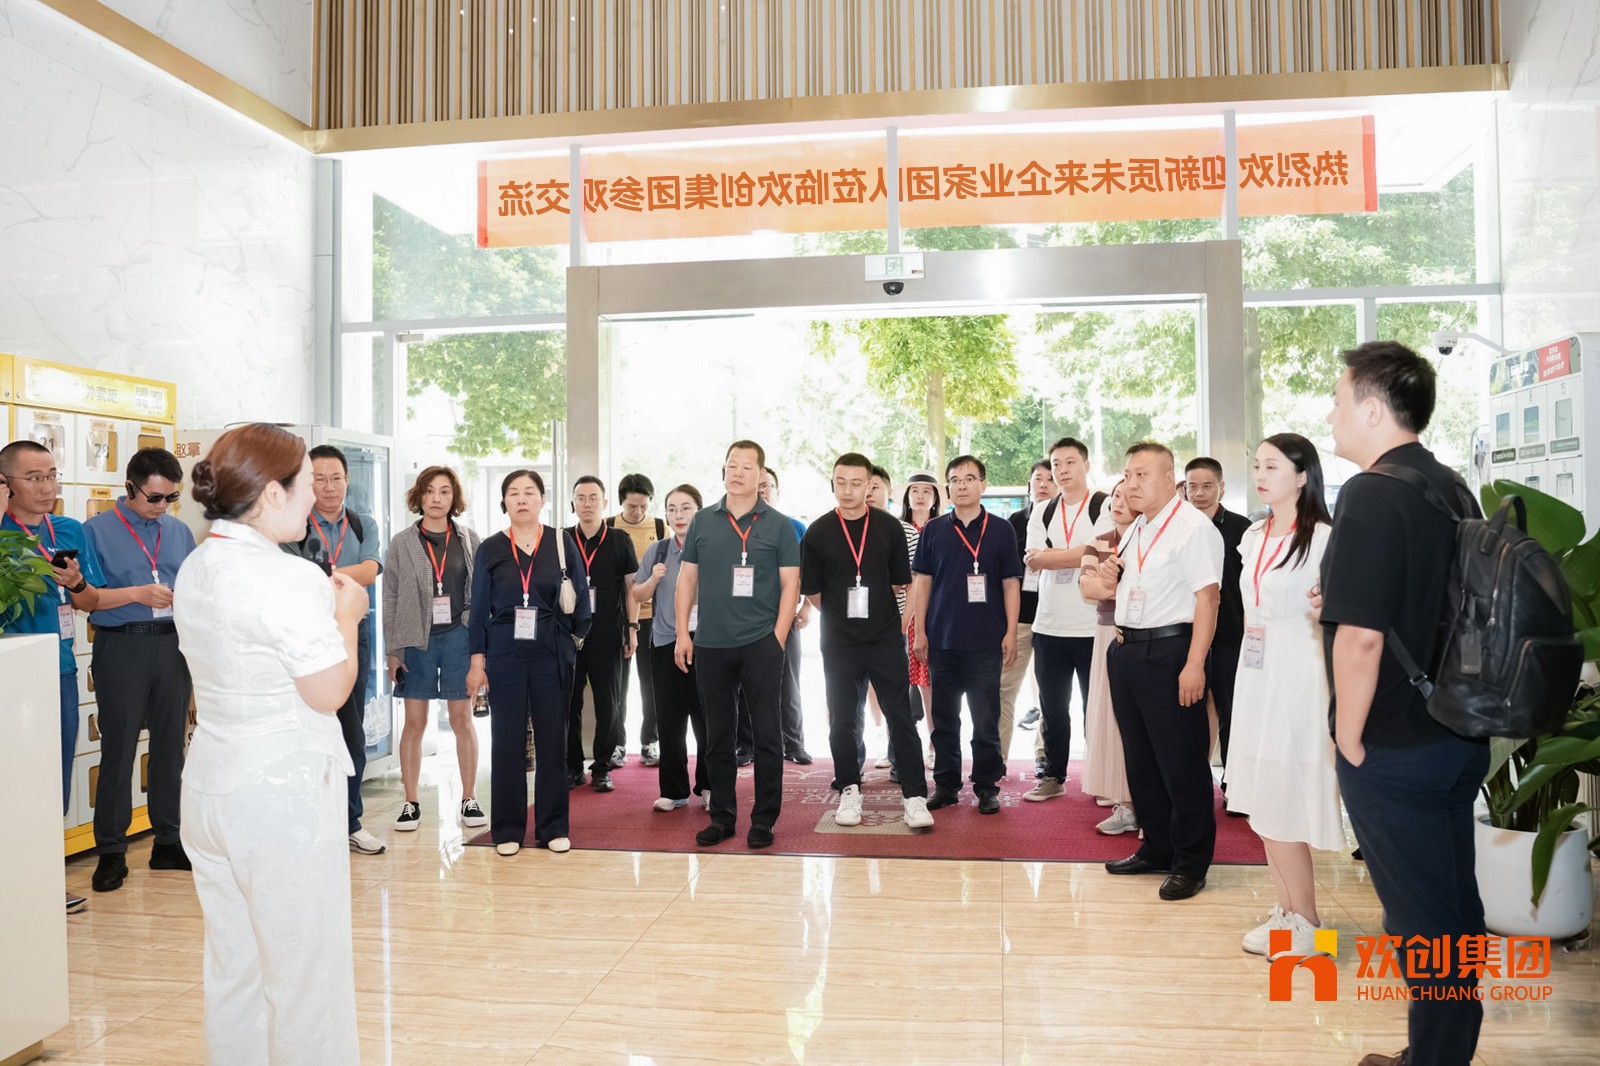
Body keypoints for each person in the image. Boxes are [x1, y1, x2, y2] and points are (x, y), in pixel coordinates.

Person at [175, 422, 367, 1063]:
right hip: (281, 793)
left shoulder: (197, 565)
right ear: (272, 494)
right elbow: (328, 692)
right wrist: (348, 618)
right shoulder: (287, 578)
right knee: (304, 971)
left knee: (235, 964)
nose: (317, 496)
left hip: (211, 783)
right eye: (306, 483)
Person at [1319, 342, 1488, 1066]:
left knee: (1423, 925)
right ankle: (1437, 1051)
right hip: (1456, 731)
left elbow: (1360, 639)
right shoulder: (1447, 485)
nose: (1331, 413)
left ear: (1372, 409)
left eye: (1338, 400)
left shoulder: (1369, 492)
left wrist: (1347, 738)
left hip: (1395, 743)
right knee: (1451, 911)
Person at [1224, 434, 1341, 958]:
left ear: (1302, 475)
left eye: (1272, 466)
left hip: (1300, 676)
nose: (1260, 475)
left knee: (1285, 797)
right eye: (1257, 466)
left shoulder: (1324, 539)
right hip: (1256, 672)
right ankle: (1287, 911)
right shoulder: (1254, 535)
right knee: (1261, 796)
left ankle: (1310, 924)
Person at [1100, 442, 1223, 902]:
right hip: (1127, 649)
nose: (1131, 484)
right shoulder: (1139, 526)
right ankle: (1157, 847)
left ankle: (1191, 862)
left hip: (1171, 652)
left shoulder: (1193, 527)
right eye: (1128, 475)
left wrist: (1194, 664)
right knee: (1142, 759)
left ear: (1170, 478)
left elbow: (1208, 599)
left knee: (1181, 762)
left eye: (1142, 475)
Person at [675, 440, 801, 849]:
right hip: (711, 644)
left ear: (760, 475)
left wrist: (777, 637)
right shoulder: (703, 521)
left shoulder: (779, 524)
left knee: (767, 735)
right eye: (732, 465)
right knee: (717, 736)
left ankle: (763, 820)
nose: (738, 472)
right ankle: (723, 817)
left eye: (747, 467)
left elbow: (791, 584)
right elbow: (687, 579)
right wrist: (683, 633)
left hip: (761, 642)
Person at [83, 447, 197, 892]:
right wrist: (136, 593)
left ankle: (168, 841)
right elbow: (87, 598)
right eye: (154, 497)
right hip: (122, 644)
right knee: (119, 747)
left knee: (171, 746)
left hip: (172, 645)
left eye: (171, 498)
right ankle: (111, 850)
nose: (162, 506)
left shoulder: (179, 532)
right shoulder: (96, 531)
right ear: (129, 487)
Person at [801, 453, 934, 830]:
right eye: (840, 482)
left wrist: (892, 624)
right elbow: (813, 591)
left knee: (900, 716)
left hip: (884, 640)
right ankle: (849, 789)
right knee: (842, 719)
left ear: (869, 485)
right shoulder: (818, 531)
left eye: (856, 483)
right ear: (833, 484)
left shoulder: (889, 527)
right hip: (839, 643)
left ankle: (914, 796)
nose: (848, 490)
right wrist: (841, 618)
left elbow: (901, 584)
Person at [0, 440, 104, 915]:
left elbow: (91, 602)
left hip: (57, 669)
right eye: (34, 478)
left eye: (52, 475)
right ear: (6, 484)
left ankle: (44, 879)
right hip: (10, 673)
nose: (47, 487)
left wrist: (76, 582)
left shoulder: (69, 529)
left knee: (53, 777)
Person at [466, 470, 591, 856]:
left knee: (553, 741)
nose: (521, 499)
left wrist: (571, 644)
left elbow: (582, 600)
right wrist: (477, 663)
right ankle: (507, 829)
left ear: (542, 500)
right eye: (513, 493)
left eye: (529, 492)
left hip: (551, 651)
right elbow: (478, 611)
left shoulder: (561, 542)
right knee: (506, 740)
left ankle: (553, 827)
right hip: (504, 653)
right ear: (504, 501)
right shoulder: (490, 548)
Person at [288, 444, 386, 856]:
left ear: (348, 480)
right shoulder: (293, 524)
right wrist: (339, 577)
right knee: (306, 731)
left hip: (350, 635)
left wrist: (321, 574)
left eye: (336, 478)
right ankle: (309, 823)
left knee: (351, 731)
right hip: (303, 636)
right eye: (320, 479)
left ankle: (350, 822)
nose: (328, 487)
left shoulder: (363, 524)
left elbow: (370, 571)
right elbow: (289, 576)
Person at [911, 455, 1022, 814]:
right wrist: (920, 631)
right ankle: (946, 785)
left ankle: (987, 786)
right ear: (948, 487)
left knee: (985, 718)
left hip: (986, 641)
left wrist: (1010, 632)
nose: (961, 485)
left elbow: (1010, 584)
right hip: (941, 640)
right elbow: (922, 583)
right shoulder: (933, 530)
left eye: (969, 478)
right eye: (955, 480)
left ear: (983, 485)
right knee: (944, 719)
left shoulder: (1002, 530)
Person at [382, 465, 485, 833]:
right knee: (415, 723)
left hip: (460, 637)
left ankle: (469, 798)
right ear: (419, 496)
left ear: (453, 497)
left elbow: (481, 594)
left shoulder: (469, 539)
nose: (436, 498)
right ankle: (410, 802)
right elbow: (390, 597)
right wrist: (393, 650)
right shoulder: (402, 542)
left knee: (461, 720)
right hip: (416, 640)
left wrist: (480, 651)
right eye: (429, 491)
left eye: (444, 491)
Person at [1023, 441, 1110, 801]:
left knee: (1097, 709)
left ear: (1086, 465)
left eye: (1070, 462)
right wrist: (1076, 555)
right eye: (1057, 463)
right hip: (1049, 626)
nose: (1062, 470)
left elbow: (1099, 552)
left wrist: (1052, 556)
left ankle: (1102, 779)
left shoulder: (1103, 504)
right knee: (1053, 709)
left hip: (1092, 626)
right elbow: (1033, 558)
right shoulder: (1043, 509)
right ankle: (1054, 776)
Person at [632, 485, 708, 811]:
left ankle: (708, 786)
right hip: (665, 642)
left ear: (699, 512)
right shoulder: (658, 551)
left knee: (706, 719)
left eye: (686, 508)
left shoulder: (710, 548)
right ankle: (674, 791)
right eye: (672, 509)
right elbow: (637, 594)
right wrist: (653, 579)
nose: (678, 515)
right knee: (669, 719)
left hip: (705, 643)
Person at [1184, 456, 1251, 806]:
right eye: (1192, 486)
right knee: (1188, 713)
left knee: (1231, 710)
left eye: (1207, 486)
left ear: (1221, 488)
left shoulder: (1242, 529)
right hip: (1185, 636)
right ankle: (1191, 785)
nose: (1199, 493)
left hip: (1229, 635)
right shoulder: (1178, 527)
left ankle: (1234, 785)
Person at [566, 476, 640, 792]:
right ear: (573, 503)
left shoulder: (620, 539)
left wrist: (632, 629)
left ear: (604, 502)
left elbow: (632, 588)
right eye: (581, 498)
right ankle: (572, 767)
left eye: (593, 497)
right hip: (569, 636)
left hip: (608, 634)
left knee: (609, 704)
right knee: (569, 704)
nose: (587, 503)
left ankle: (601, 767)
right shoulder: (561, 539)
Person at [738, 465, 811, 765]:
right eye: (757, 486)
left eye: (767, 485)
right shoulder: (736, 526)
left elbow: (810, 573)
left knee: (788, 682)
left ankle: (793, 743)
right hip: (744, 618)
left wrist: (807, 607)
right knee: (745, 683)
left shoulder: (794, 527)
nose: (762, 490)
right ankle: (746, 745)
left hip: (785, 615)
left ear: (777, 491)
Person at [1077, 480, 1139, 834]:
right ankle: (1124, 804)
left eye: (1127, 496)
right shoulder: (1098, 542)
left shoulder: (1149, 538)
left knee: (1140, 719)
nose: (1118, 501)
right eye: (1115, 495)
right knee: (1110, 716)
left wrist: (1112, 585)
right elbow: (1089, 589)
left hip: (1144, 633)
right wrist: (1122, 585)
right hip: (1106, 633)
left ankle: (1147, 805)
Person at [610, 472, 666, 768]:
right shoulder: (609, 526)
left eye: (644, 505)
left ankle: (649, 741)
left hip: (654, 618)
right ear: (622, 502)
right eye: (632, 506)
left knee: (652, 683)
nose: (638, 511)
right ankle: (617, 743)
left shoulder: (660, 527)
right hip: (618, 618)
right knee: (617, 685)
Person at [1002, 459, 1053, 777]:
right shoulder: (1014, 522)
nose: (1043, 484)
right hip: (1019, 618)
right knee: (1003, 689)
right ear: (1029, 485)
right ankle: (997, 757)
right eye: (1038, 478)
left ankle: (1043, 753)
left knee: (1050, 693)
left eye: (1050, 479)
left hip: (1053, 619)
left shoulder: (1064, 521)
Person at [899, 471, 942, 761]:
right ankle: (903, 746)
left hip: (938, 611)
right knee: (907, 680)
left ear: (936, 498)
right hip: (905, 613)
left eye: (927, 491)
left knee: (934, 680)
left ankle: (937, 742)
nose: (921, 496)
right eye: (915, 490)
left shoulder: (944, 527)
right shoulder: (896, 528)